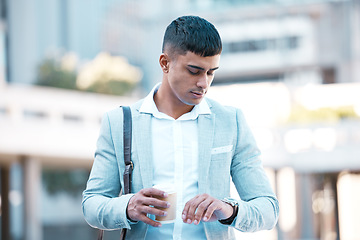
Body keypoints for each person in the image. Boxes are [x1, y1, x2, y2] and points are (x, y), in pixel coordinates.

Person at [82, 15, 279, 240]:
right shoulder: (119, 122)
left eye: (211, 72)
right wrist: (128, 206)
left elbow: (268, 209)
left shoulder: (230, 121)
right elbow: (92, 204)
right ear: (165, 63)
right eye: (194, 71)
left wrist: (229, 210)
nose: (204, 83)